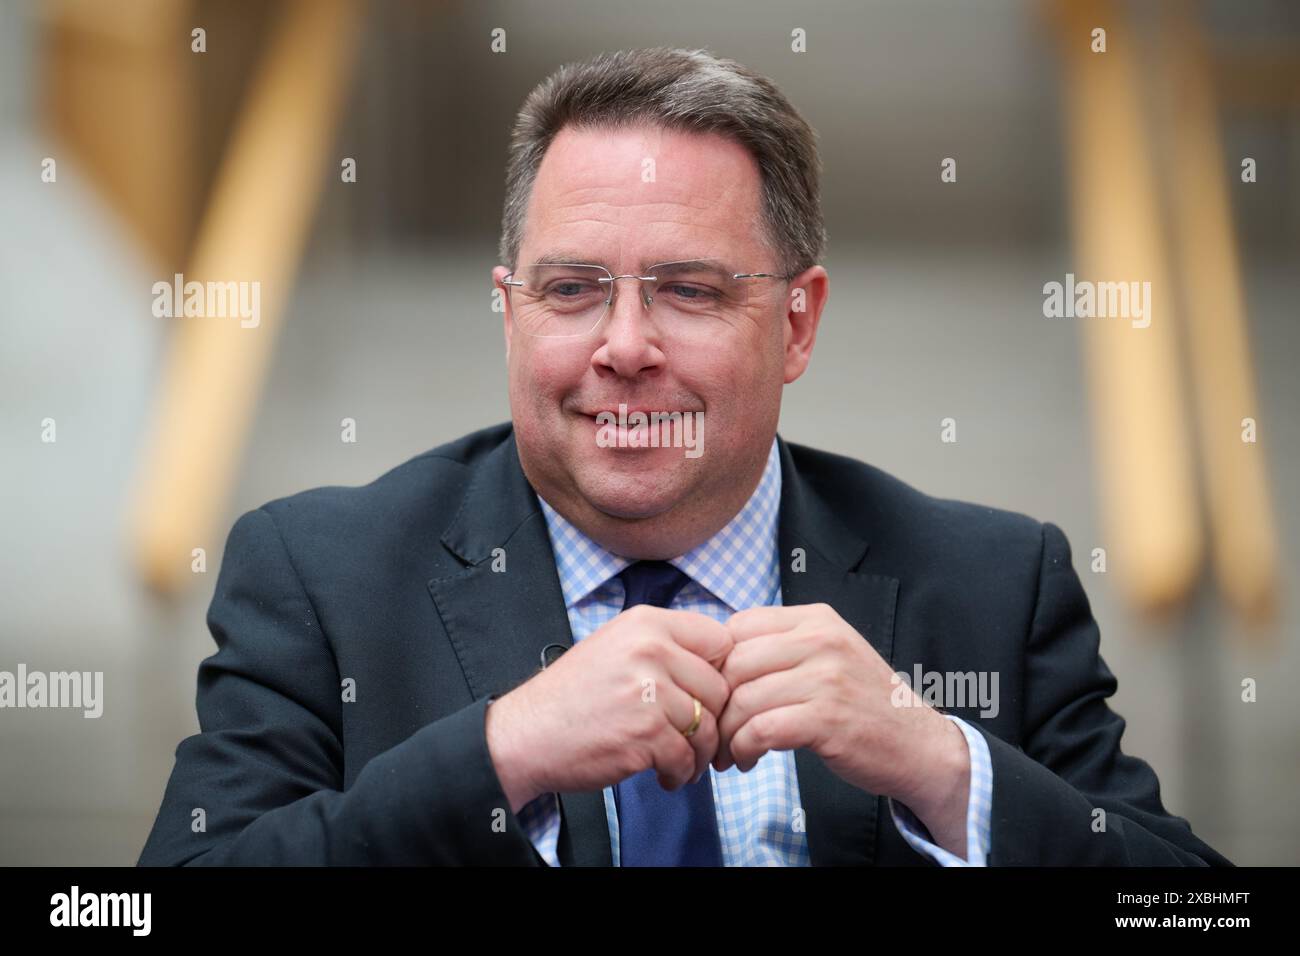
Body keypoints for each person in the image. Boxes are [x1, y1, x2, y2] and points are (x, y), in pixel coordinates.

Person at [138, 47, 1230, 867]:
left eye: (689, 289)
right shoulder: (323, 572)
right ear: (508, 312)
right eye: (570, 290)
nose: (622, 347)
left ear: (797, 324)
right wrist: (502, 751)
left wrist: (942, 766)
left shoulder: (990, 581)